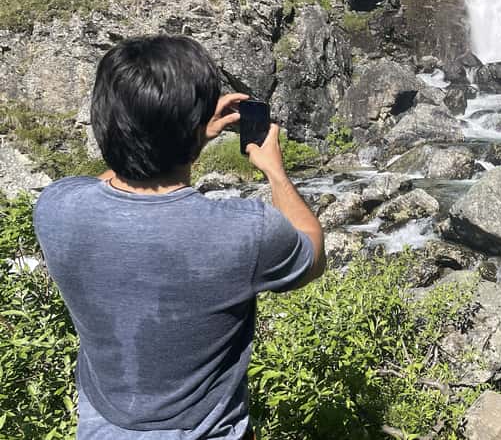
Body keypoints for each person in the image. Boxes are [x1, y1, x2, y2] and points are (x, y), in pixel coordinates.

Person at [33, 34, 326, 440]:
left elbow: (106, 181)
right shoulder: (248, 230)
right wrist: (274, 171)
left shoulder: (54, 207)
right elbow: (312, 251)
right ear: (196, 126)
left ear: (102, 120)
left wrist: (185, 137)